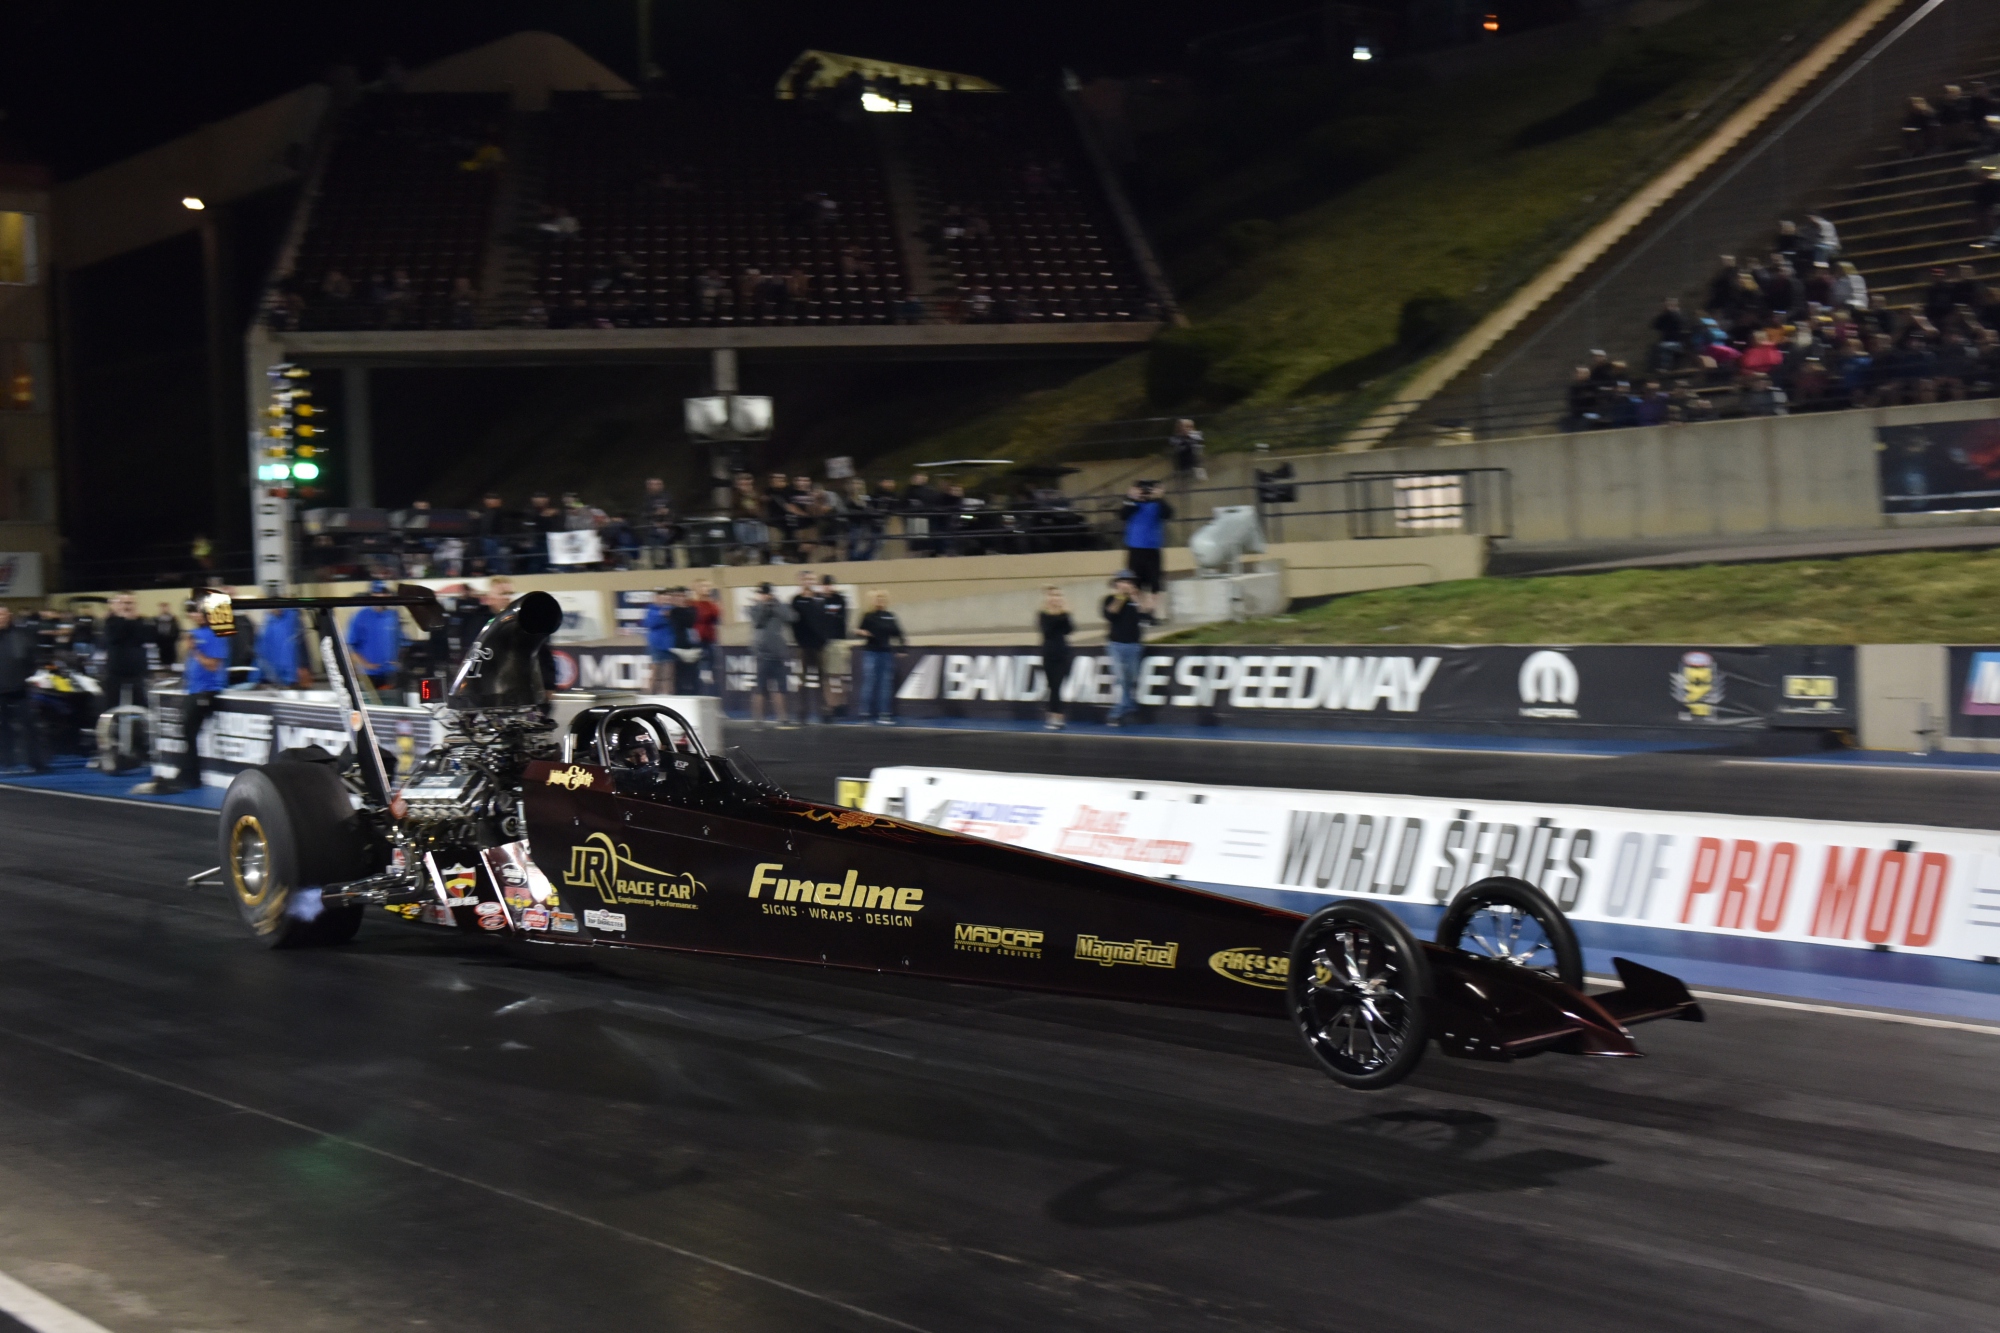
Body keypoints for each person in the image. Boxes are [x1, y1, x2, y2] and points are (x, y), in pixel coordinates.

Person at [156, 602, 228, 793]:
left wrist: (195, 650)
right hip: (193, 690)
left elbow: (213, 665)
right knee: (186, 732)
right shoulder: (194, 633)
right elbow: (182, 658)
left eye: (199, 612)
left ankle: (192, 776)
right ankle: (187, 773)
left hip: (206, 691)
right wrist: (186, 646)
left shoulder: (215, 634)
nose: (196, 616)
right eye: (193, 613)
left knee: (188, 731)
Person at [1101, 574, 1154, 727]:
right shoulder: (1110, 599)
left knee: (1132, 678)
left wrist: (1136, 597)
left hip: (1134, 645)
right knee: (1121, 677)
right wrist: (1121, 596)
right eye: (1122, 581)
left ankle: (1129, 707)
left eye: (1129, 582)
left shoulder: (1135, 600)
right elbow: (1111, 614)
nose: (1126, 584)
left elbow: (1146, 615)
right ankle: (1117, 712)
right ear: (1116, 584)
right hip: (1116, 645)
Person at [0, 605, 46, 774]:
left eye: (3, 614)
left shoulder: (21, 634)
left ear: (9, 616)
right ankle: (6, 762)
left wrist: (29, 676)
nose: (1, 618)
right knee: (3, 728)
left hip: (21, 688)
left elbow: (32, 657)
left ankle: (36, 762)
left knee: (29, 726)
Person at [1118, 481, 1173, 616]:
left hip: (1153, 548)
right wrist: (1131, 497)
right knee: (1135, 583)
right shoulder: (1132, 504)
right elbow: (1122, 515)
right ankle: (1141, 611)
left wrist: (1160, 497)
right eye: (1142, 489)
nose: (1145, 492)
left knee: (1155, 583)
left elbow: (1168, 514)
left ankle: (1151, 611)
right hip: (1135, 548)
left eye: (1148, 489)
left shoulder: (1158, 504)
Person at [747, 583, 795, 727]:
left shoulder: (779, 606)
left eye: (765, 594)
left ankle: (783, 718)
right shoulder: (754, 608)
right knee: (760, 688)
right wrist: (764, 606)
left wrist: (776, 605)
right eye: (761, 593)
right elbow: (757, 622)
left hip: (778, 653)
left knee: (780, 687)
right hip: (762, 653)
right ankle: (758, 719)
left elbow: (791, 617)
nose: (763, 596)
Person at [855, 590, 905, 724]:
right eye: (877, 599)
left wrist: (902, 648)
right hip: (871, 652)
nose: (880, 602)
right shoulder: (868, 616)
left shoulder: (890, 616)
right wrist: (861, 632)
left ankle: (884, 713)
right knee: (869, 681)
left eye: (882, 599)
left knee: (885, 683)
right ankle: (864, 712)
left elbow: (899, 633)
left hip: (886, 653)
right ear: (873, 601)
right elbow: (858, 631)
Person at [100, 592, 152, 710]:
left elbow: (146, 638)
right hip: (116, 669)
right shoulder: (111, 621)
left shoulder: (142, 621)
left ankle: (138, 722)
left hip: (136, 670)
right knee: (112, 705)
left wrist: (133, 620)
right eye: (123, 603)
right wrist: (123, 619)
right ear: (116, 604)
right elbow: (113, 638)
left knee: (140, 705)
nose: (127, 606)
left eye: (130, 603)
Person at [346, 592, 406, 695]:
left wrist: (398, 661)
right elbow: (351, 645)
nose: (382, 597)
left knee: (391, 700)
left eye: (385, 594)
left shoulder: (392, 615)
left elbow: (402, 641)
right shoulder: (361, 616)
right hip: (369, 675)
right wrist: (365, 665)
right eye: (378, 594)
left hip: (391, 674)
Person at [790, 570, 830, 723]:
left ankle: (824, 712)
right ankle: (802, 713)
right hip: (803, 646)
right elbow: (793, 623)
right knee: (802, 680)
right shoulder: (796, 600)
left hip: (819, 646)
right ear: (801, 581)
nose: (809, 582)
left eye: (811, 579)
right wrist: (799, 640)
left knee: (822, 679)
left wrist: (824, 639)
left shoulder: (820, 598)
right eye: (806, 579)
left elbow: (826, 620)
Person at [1038, 586, 1073, 732]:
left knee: (1057, 686)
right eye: (1052, 596)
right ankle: (1055, 715)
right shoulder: (1043, 615)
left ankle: (1056, 715)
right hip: (1049, 654)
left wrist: (1064, 613)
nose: (1055, 598)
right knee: (1052, 686)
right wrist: (1059, 615)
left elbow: (1069, 629)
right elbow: (1048, 630)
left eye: (1058, 595)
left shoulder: (1064, 615)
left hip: (1062, 654)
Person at [255, 606, 312, 689]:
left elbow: (301, 644)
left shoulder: (293, 618)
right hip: (271, 678)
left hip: (291, 678)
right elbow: (261, 650)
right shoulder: (268, 621)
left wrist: (304, 666)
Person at [644, 589, 679, 695]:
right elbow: (650, 623)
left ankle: (668, 697)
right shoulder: (651, 611)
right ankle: (649, 696)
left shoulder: (672, 610)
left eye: (666, 599)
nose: (664, 601)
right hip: (656, 646)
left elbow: (675, 620)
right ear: (656, 598)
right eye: (662, 598)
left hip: (669, 646)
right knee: (655, 674)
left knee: (669, 675)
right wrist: (663, 615)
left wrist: (666, 615)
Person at [691, 579, 721, 693]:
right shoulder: (693, 604)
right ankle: (698, 690)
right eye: (703, 586)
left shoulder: (711, 604)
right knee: (700, 667)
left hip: (710, 638)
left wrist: (712, 603)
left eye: (708, 586)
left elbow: (716, 616)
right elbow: (700, 616)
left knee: (712, 666)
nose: (707, 589)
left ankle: (711, 691)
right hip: (698, 639)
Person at [1168, 418, 1206, 482]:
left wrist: (1196, 440)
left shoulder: (1195, 437)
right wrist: (1189, 442)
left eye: (1191, 427)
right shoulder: (1174, 438)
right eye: (1186, 427)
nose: (1189, 429)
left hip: (1196, 467)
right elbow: (1178, 449)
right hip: (1181, 469)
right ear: (1180, 428)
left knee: (1202, 482)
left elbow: (1199, 451)